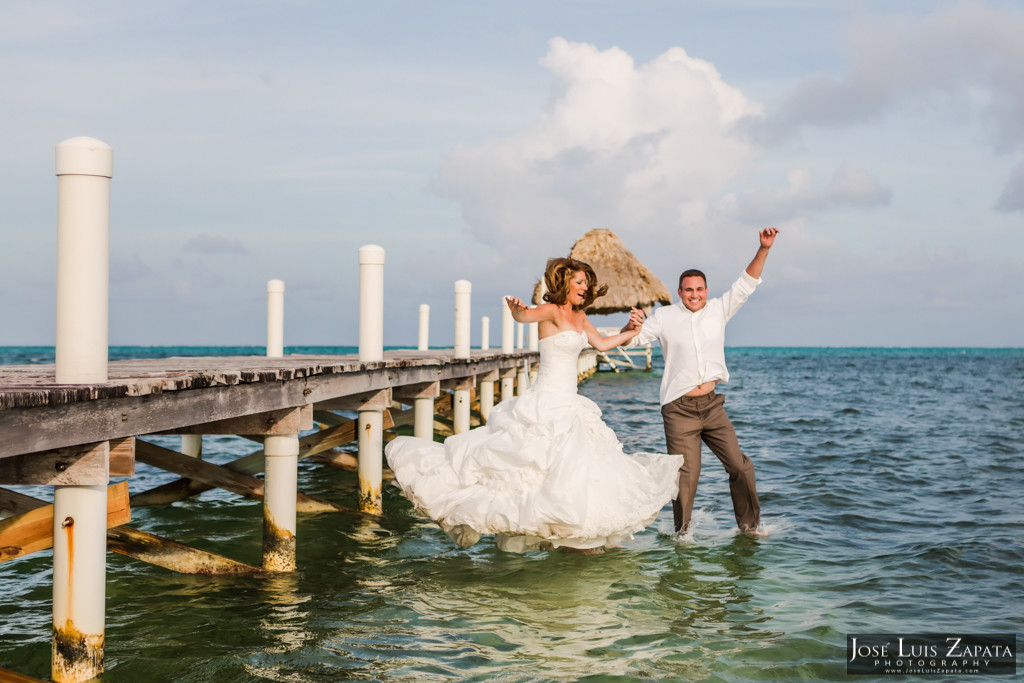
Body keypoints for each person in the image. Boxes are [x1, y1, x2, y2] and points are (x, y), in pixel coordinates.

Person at [385, 257, 682, 553]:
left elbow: (603, 345)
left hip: (571, 404)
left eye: (586, 283)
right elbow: (526, 317)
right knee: (531, 467)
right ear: (564, 284)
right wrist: (517, 311)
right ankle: (545, 536)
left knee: (581, 469)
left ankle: (572, 535)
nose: (585, 287)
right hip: (545, 402)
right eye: (579, 282)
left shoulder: (581, 317)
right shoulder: (551, 311)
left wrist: (631, 330)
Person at [626, 227, 779, 537]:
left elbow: (747, 282)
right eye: (688, 290)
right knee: (687, 477)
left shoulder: (719, 310)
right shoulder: (665, 316)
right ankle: (682, 534)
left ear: (706, 291)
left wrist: (763, 249)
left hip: (712, 406)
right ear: (679, 292)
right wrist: (631, 326)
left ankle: (749, 528)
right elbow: (634, 340)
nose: (694, 295)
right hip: (679, 409)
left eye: (699, 289)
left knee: (740, 466)